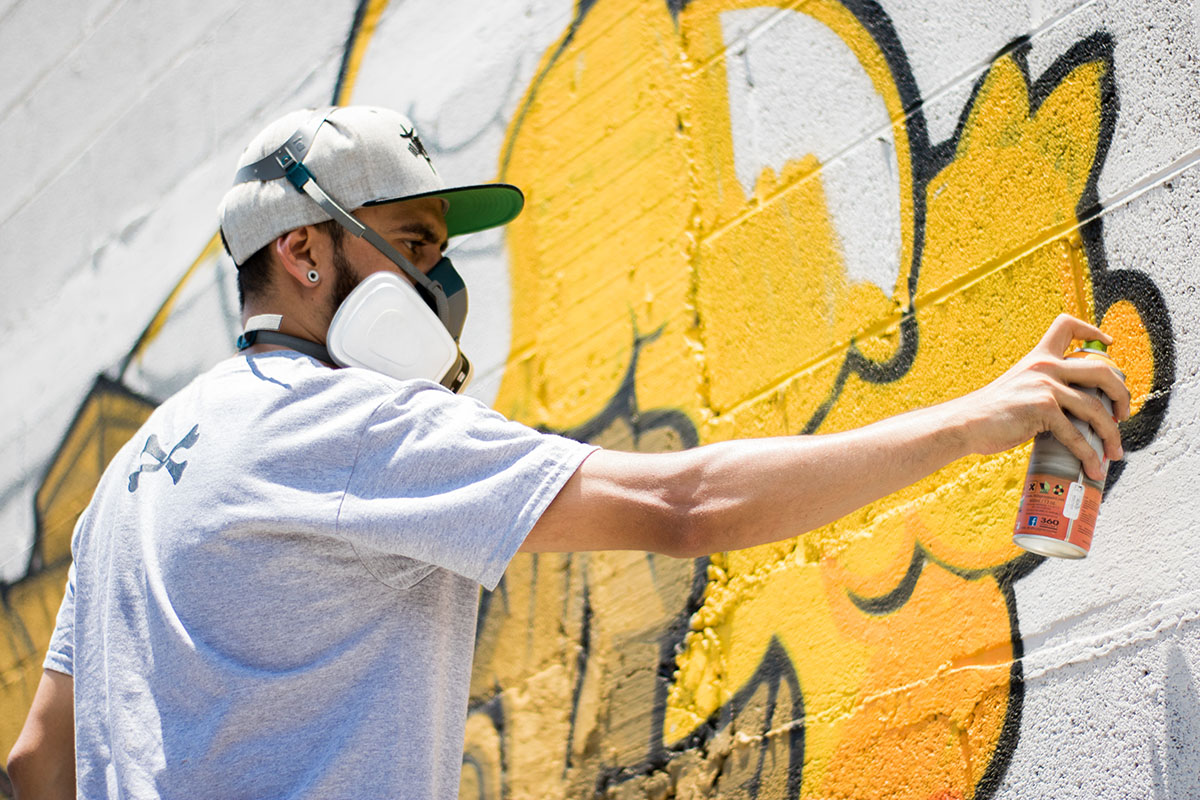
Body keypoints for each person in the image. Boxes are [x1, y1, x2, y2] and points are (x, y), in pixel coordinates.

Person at [6, 105, 1130, 800]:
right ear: (302, 251)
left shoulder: (131, 479)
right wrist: (988, 415)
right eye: (409, 247)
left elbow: (35, 766)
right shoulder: (344, 424)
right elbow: (685, 507)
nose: (441, 290)